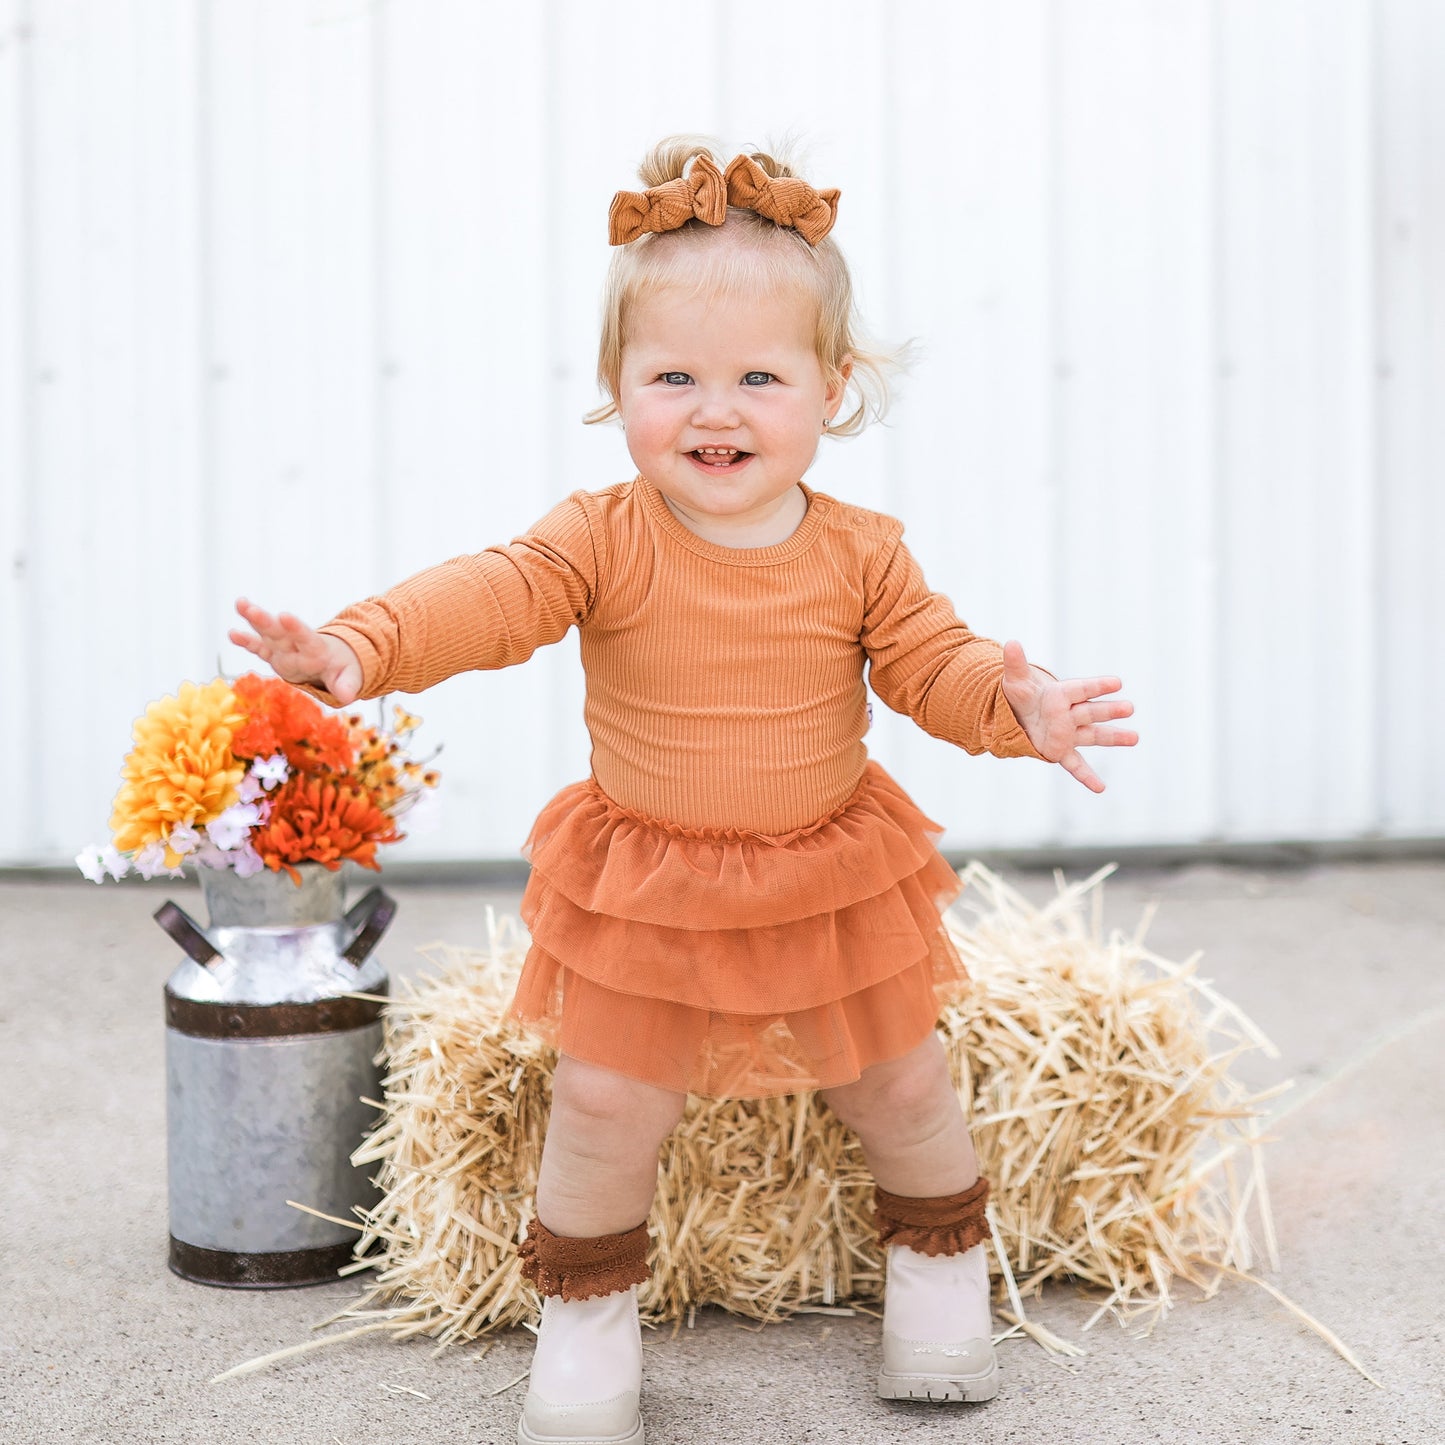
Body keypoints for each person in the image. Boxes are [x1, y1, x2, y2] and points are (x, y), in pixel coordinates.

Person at [230, 137, 1137, 1444]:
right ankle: (589, 1316)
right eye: (674, 378)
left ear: (833, 389)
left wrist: (1021, 706)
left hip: (822, 868)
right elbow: (486, 595)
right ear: (617, 387)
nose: (716, 411)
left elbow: (938, 666)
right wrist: (355, 648)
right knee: (606, 1099)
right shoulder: (600, 536)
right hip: (647, 877)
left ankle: (939, 1271)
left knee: (897, 1078)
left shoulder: (863, 554)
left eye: (759, 377)